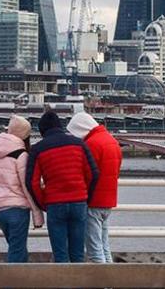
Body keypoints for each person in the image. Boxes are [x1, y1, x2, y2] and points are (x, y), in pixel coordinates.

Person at [26, 110, 98, 263]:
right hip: (79, 202)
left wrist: (43, 203)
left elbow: (31, 182)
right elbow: (93, 174)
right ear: (61, 126)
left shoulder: (38, 149)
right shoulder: (79, 144)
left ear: (42, 131)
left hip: (55, 204)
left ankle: (63, 283)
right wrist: (86, 198)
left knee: (60, 255)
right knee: (78, 254)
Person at [0, 115, 44, 262]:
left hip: (0, 210)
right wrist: (37, 214)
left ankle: (23, 280)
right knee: (17, 252)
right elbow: (27, 186)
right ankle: (13, 281)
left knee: (17, 248)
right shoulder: (21, 155)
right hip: (17, 209)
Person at [68, 111, 121, 263]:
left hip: (93, 201)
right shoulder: (112, 141)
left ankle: (102, 282)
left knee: (94, 248)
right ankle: (111, 279)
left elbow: (85, 173)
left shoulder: (91, 144)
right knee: (104, 245)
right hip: (109, 200)